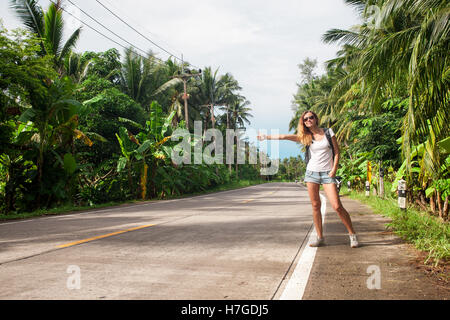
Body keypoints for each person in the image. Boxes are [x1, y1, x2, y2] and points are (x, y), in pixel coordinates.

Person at [257, 110, 359, 248]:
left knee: (337, 206)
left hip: (328, 174)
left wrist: (334, 169)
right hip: (311, 174)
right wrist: (266, 137)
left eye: (311, 117)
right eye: (305, 119)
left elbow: (336, 152)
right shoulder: (306, 137)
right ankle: (320, 238)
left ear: (316, 119)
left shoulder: (328, 132)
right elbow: (284, 136)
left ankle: (352, 235)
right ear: (303, 122)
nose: (308, 120)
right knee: (316, 206)